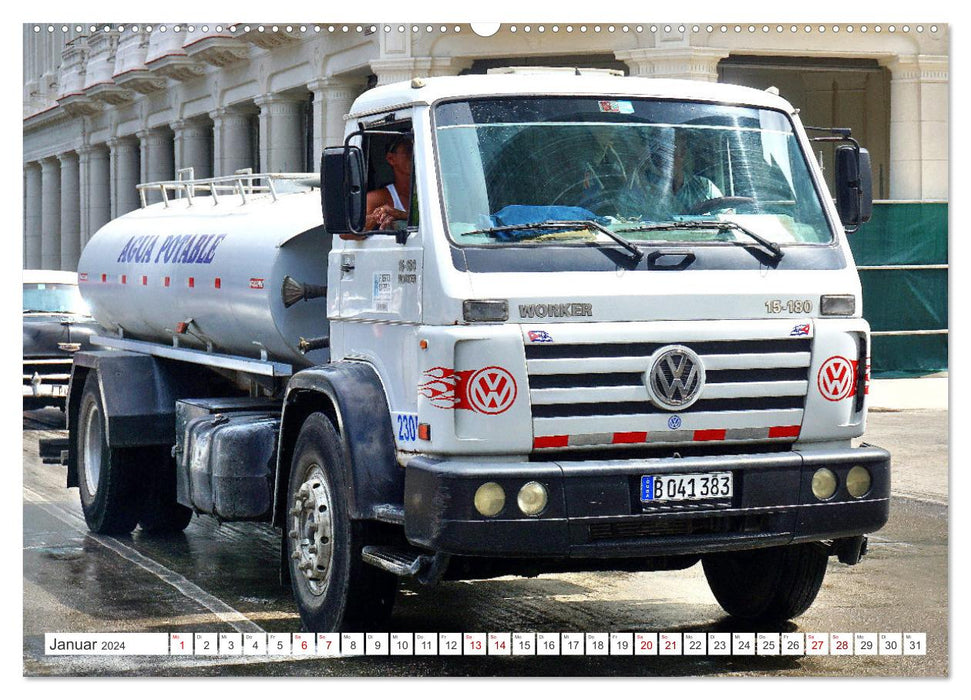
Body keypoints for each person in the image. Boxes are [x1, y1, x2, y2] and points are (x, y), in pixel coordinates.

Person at [365, 135, 412, 231]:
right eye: (409, 151)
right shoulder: (376, 198)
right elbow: (347, 233)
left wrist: (401, 215)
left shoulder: (438, 189)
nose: (415, 155)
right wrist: (378, 216)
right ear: (391, 159)